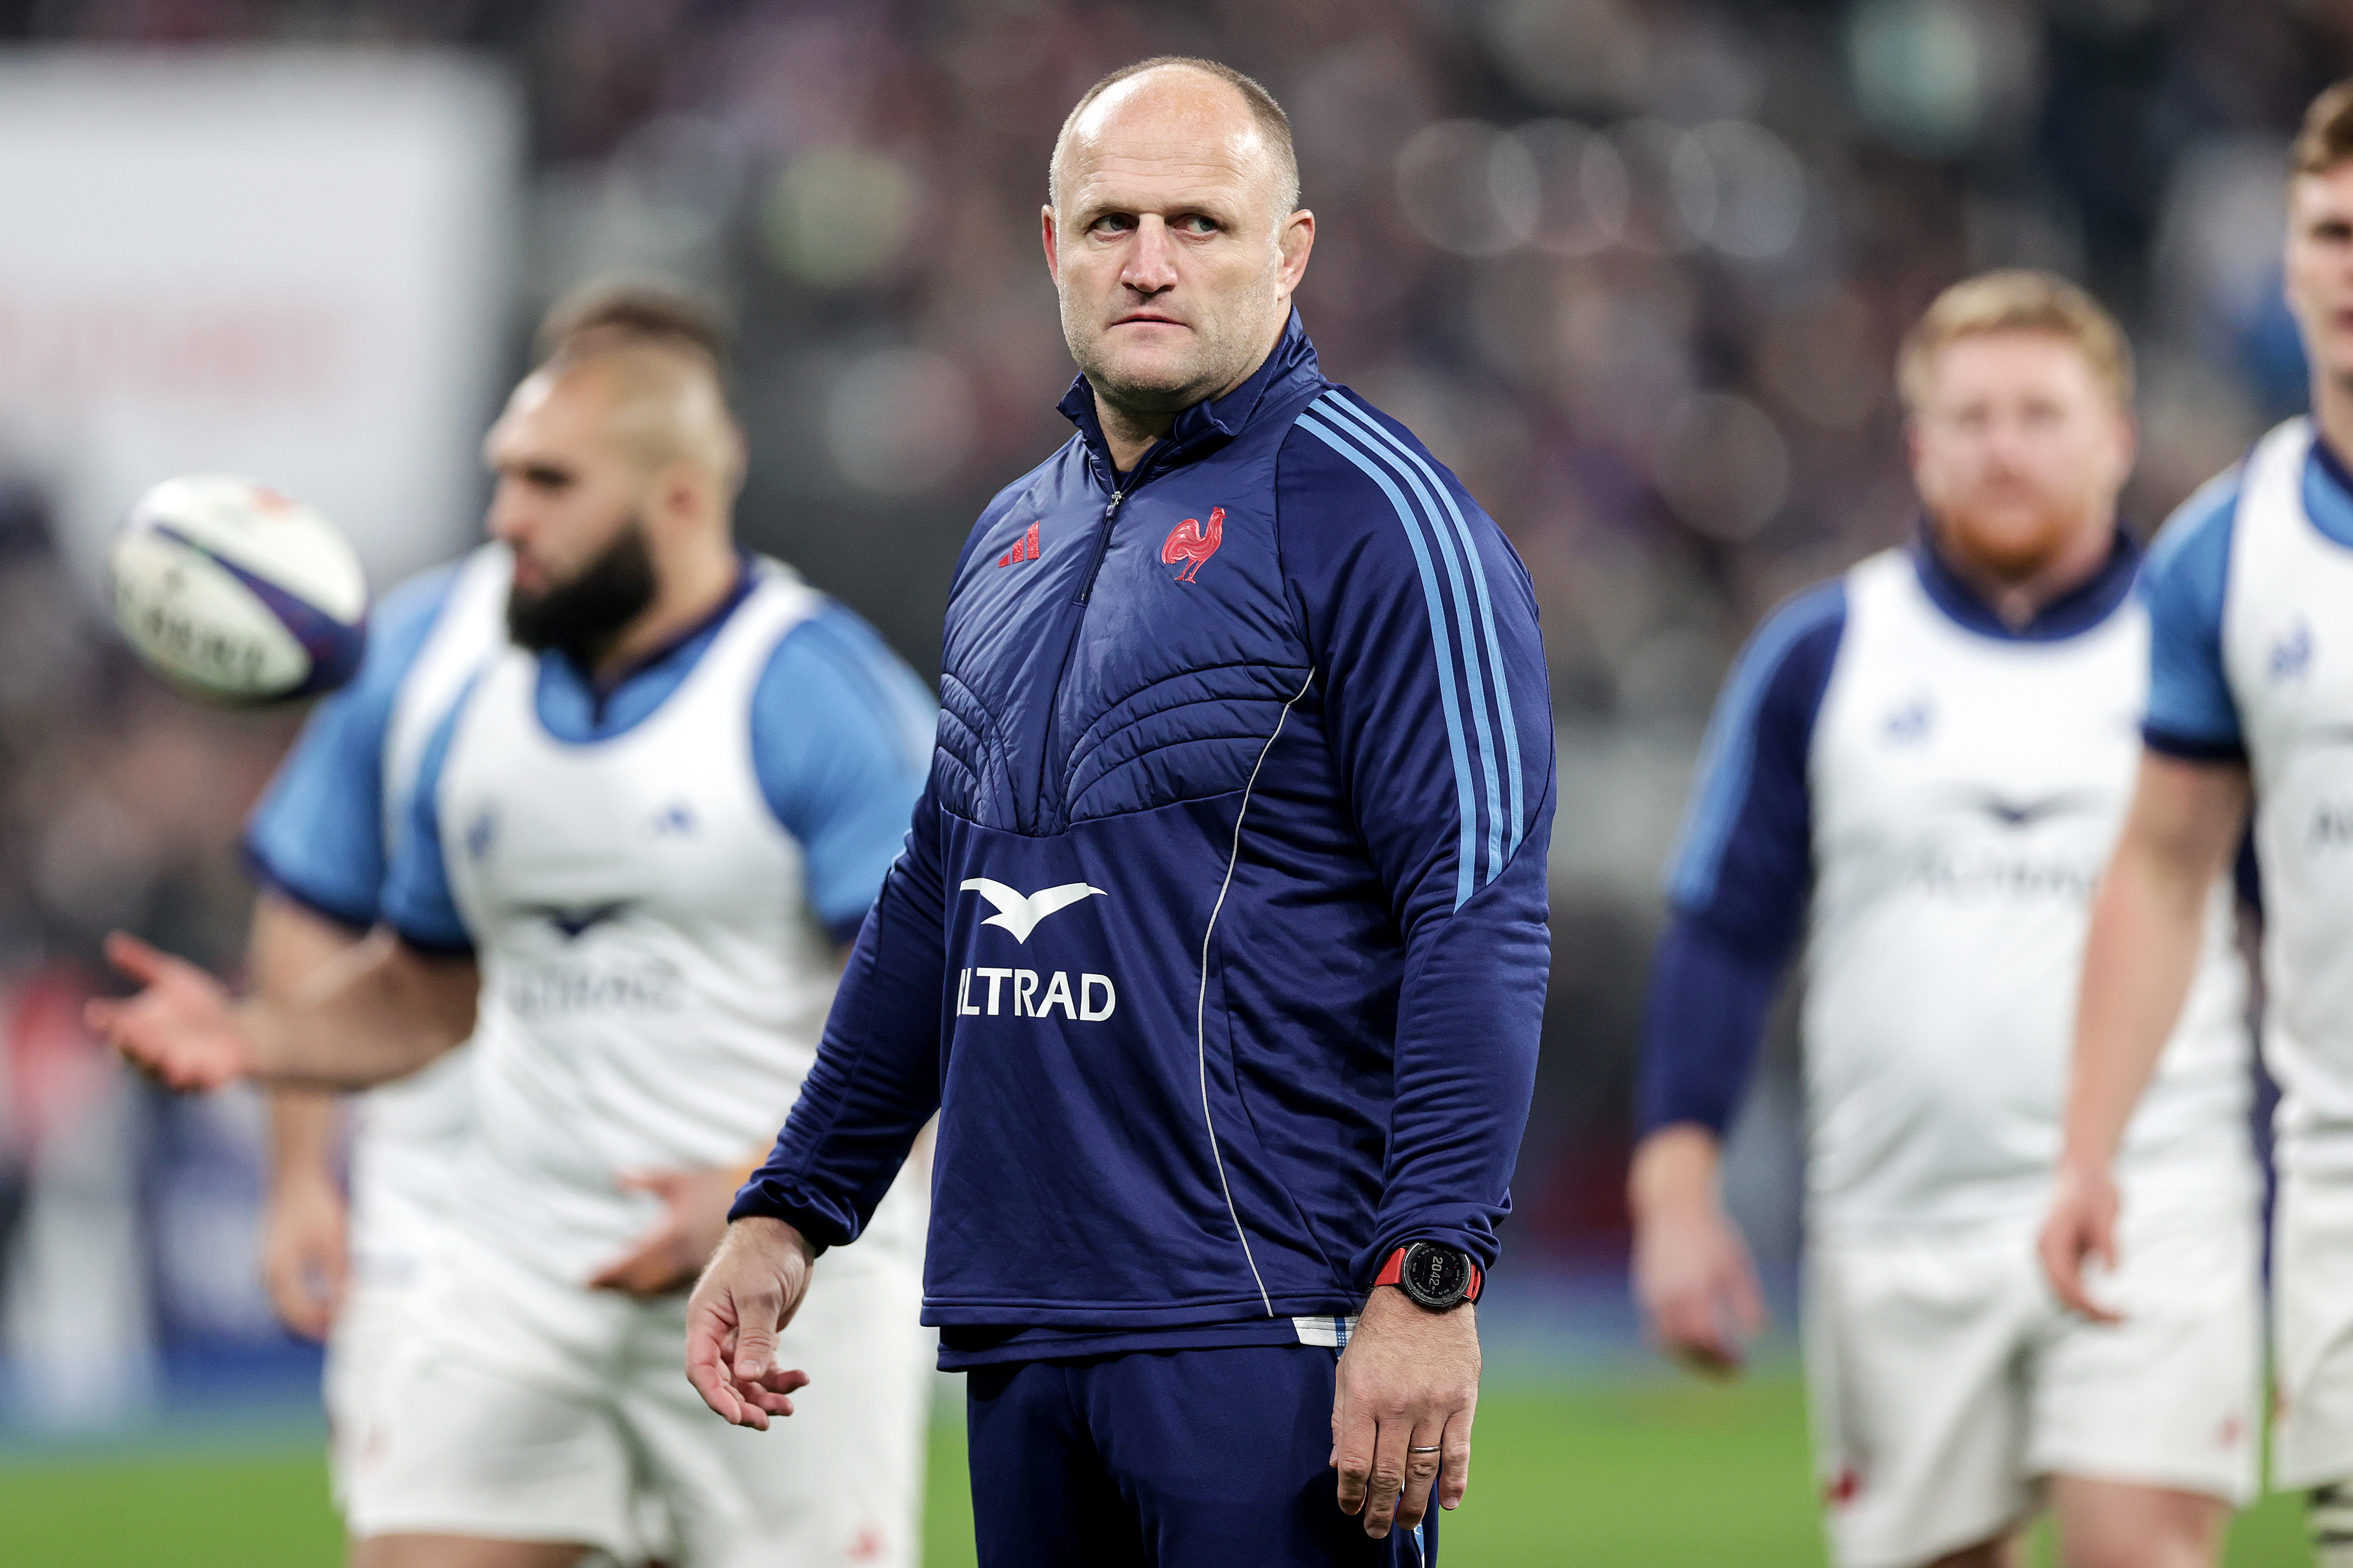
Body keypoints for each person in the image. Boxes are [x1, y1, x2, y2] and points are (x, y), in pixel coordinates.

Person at [683, 55, 1553, 1568]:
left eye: (1199, 224)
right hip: (1024, 1321)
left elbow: (1478, 920)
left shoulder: (1383, 522)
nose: (1149, 261)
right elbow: (935, 899)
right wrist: (793, 1205)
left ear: (1289, 251)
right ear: (1052, 247)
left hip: (1266, 1318)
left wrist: (1430, 1281)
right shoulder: (1013, 532)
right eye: (1110, 224)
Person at [92, 286, 940, 1568]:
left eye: (548, 482)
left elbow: (930, 1016)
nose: (505, 518)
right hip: (518, 1267)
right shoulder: (459, 697)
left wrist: (766, 1199)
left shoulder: (819, 697)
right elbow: (427, 994)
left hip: (779, 1282)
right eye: (504, 475)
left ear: (677, 497)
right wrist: (255, 1038)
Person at [1632, 271, 2258, 1568]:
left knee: (2141, 1550)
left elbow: (2302, 923)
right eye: (1971, 418)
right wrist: (1676, 1190)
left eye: (2041, 414)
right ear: (1919, 446)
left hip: (2157, 1195)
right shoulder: (1823, 655)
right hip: (1896, 1224)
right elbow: (1725, 929)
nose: (2004, 448)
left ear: (2116, 438)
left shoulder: (2200, 652)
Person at [2039, 80, 2353, 1568]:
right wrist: (2088, 1148)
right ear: (2285, 264)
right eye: (2333, 234)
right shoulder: (2228, 552)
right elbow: (2166, 872)